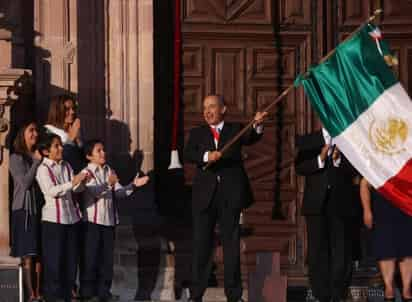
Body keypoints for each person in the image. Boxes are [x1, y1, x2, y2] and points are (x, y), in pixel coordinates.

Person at [184, 94, 267, 302]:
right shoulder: (197, 133)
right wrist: (206, 156)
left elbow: (252, 137)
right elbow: (189, 154)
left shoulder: (235, 130)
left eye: (212, 107)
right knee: (202, 245)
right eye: (205, 108)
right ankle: (196, 295)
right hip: (205, 197)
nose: (207, 111)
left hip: (230, 196)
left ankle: (234, 295)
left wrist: (257, 124)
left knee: (231, 247)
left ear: (223, 109)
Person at [79, 139, 149, 302]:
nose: (103, 153)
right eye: (99, 151)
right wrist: (107, 183)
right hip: (92, 222)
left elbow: (118, 192)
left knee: (106, 259)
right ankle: (88, 293)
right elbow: (95, 191)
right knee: (91, 258)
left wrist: (133, 185)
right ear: (89, 156)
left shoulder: (109, 169)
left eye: (103, 150)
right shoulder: (87, 172)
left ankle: (104, 292)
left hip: (109, 221)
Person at [295, 128, 358, 302]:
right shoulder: (309, 140)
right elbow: (299, 167)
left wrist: (338, 162)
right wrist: (320, 159)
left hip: (341, 204)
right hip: (316, 205)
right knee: (317, 252)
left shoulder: (348, 137)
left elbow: (358, 168)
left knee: (342, 253)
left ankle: (338, 295)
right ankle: (320, 295)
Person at [36, 133, 89, 302]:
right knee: (54, 262)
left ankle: (67, 295)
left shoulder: (66, 165)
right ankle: (53, 297)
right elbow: (52, 191)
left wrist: (83, 182)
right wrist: (73, 182)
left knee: (71, 261)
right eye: (56, 146)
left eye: (60, 145)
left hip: (72, 219)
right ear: (46, 151)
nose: (60, 149)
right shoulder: (42, 169)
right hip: (53, 222)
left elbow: (75, 190)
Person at [360, 177, 412, 301]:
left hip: (407, 203)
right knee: (386, 249)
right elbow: (364, 183)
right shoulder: (377, 158)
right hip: (383, 205)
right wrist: (367, 210)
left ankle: (406, 289)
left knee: (408, 249)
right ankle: (389, 289)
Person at [9, 122, 43, 302]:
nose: (35, 134)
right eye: (31, 130)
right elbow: (24, 183)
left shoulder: (37, 156)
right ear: (22, 134)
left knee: (38, 253)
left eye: (36, 130)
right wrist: (36, 162)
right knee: (27, 254)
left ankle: (38, 292)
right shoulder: (16, 157)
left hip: (38, 209)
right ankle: (31, 295)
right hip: (24, 210)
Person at [44, 94, 85, 173]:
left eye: (73, 108)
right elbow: (57, 157)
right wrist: (71, 138)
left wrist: (79, 140)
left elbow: (82, 157)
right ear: (57, 110)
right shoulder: (48, 130)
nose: (72, 112)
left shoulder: (73, 129)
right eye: (67, 109)